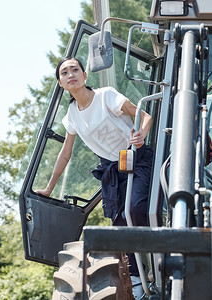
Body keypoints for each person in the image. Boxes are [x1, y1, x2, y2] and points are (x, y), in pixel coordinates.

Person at [36, 56, 153, 298]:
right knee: (119, 222)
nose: (71, 75)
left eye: (75, 70)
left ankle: (159, 258)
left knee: (136, 209)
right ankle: (136, 278)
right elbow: (65, 154)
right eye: (65, 73)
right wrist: (49, 188)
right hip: (113, 169)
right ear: (60, 82)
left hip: (137, 158)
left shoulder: (106, 96)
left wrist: (140, 134)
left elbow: (145, 116)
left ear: (84, 75)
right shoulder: (71, 116)